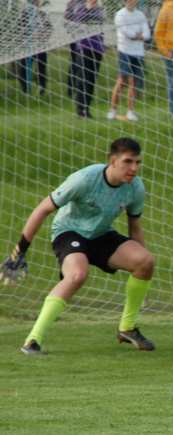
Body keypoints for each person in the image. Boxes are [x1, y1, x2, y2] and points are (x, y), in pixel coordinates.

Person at [1, 138, 156, 354]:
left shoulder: (135, 188)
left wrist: (143, 271)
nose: (134, 168)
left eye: (138, 162)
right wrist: (19, 251)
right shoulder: (84, 179)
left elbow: (135, 227)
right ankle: (32, 340)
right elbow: (42, 209)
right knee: (77, 275)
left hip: (101, 234)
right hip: (68, 232)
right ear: (112, 161)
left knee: (146, 262)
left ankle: (127, 329)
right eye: (128, 161)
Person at [109, 0, 150, 122]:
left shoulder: (140, 15)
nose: (132, 1)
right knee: (122, 81)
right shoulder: (120, 15)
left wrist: (139, 36)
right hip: (124, 51)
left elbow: (147, 34)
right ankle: (113, 110)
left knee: (134, 82)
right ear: (125, 0)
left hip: (138, 52)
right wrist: (138, 36)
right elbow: (127, 33)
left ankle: (131, 111)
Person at [66, 0, 105, 119]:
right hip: (83, 48)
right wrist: (88, 10)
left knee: (91, 80)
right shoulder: (80, 9)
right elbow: (77, 23)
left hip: (97, 48)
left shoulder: (100, 10)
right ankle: (80, 110)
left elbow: (100, 27)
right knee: (83, 79)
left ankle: (87, 109)